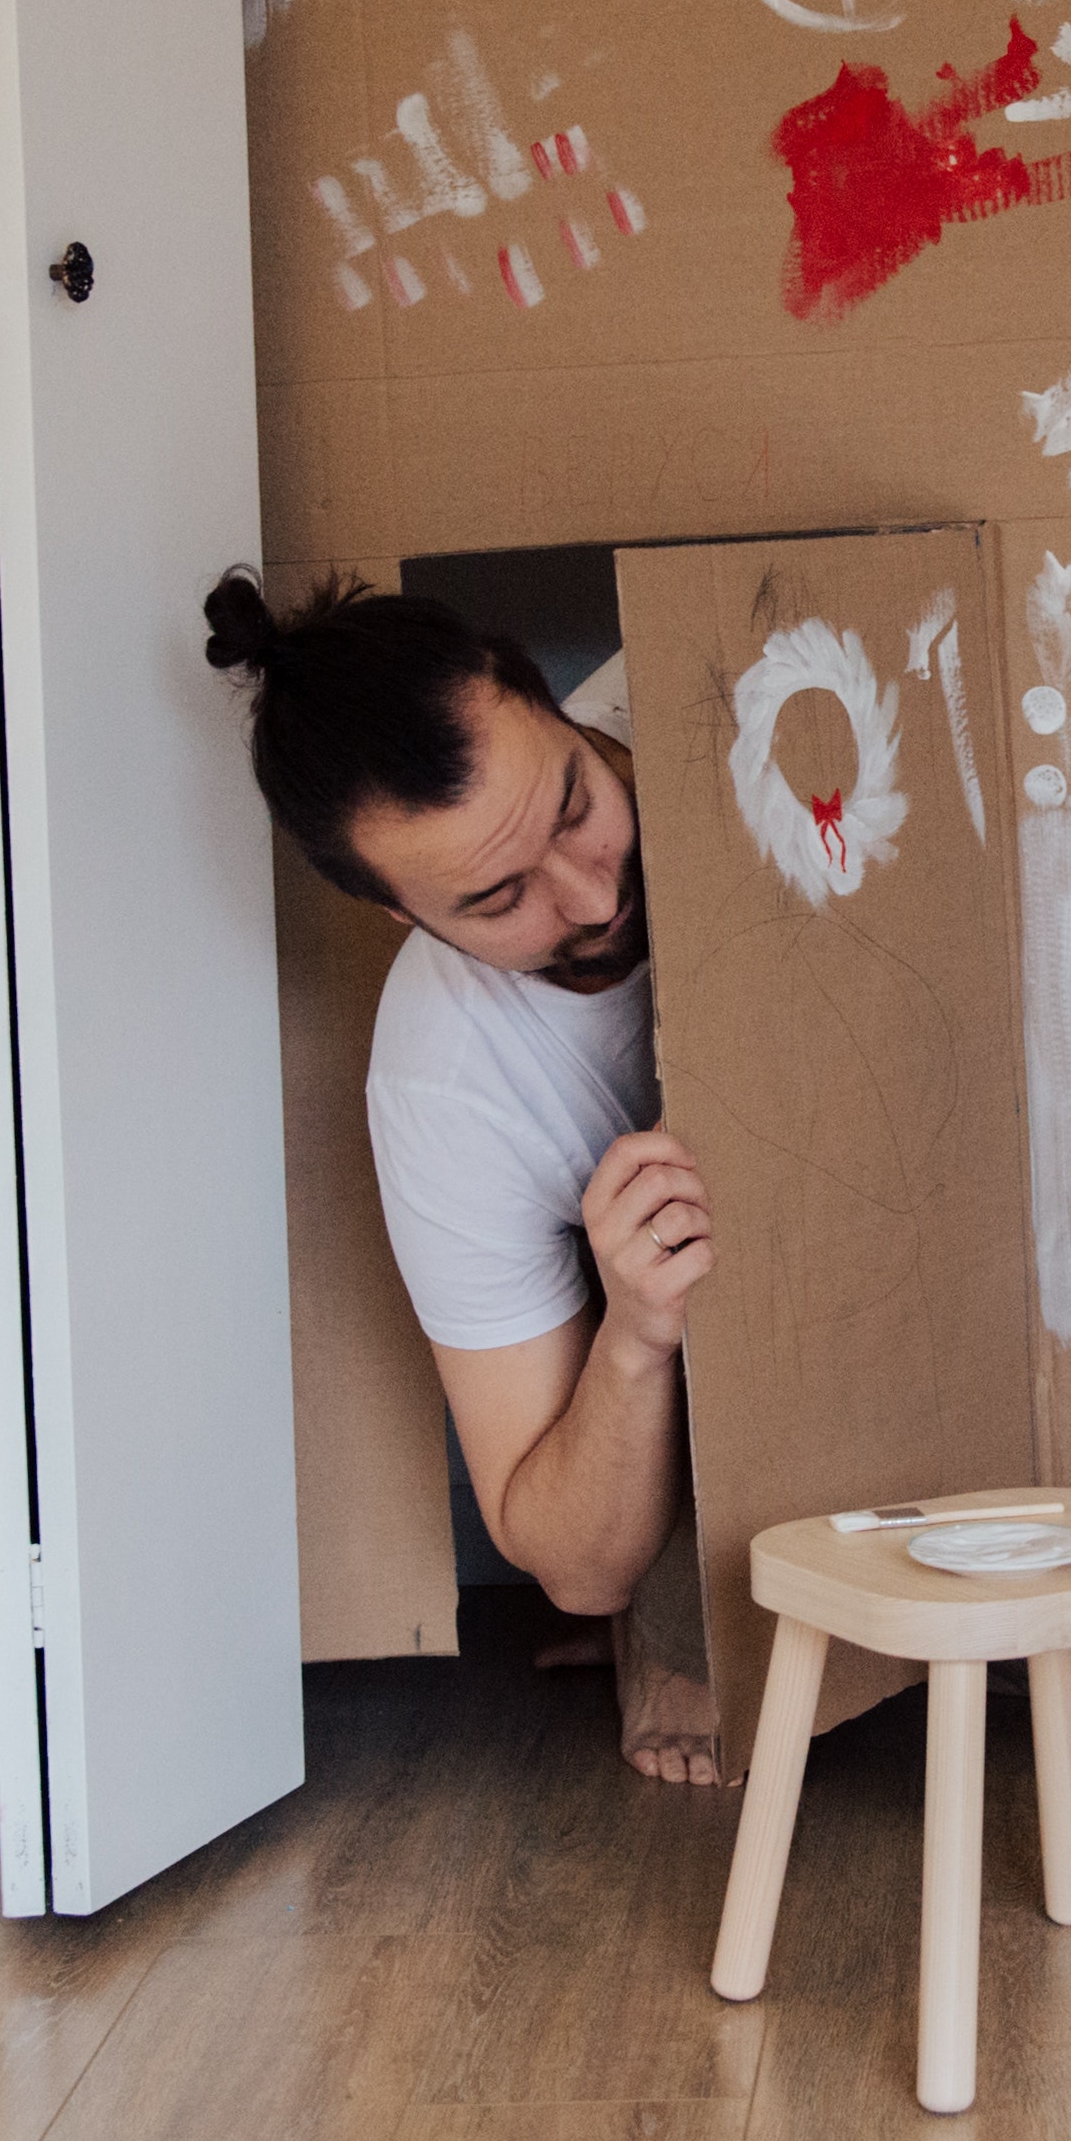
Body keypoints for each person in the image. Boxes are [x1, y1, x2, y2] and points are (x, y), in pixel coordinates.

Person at [202, 571, 727, 1782]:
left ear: (550, 700)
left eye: (574, 804)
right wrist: (638, 1335)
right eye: (498, 899)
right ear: (399, 915)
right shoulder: (445, 1083)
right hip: (722, 1332)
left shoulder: (719, 698)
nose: (592, 895)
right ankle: (681, 1624)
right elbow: (568, 1555)